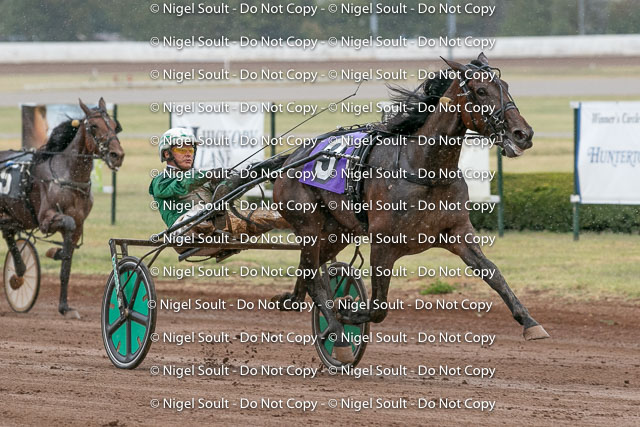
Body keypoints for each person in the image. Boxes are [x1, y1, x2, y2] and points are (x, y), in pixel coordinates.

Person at [149, 127, 289, 239]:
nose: (188, 154)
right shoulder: (160, 181)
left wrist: (245, 176)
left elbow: (223, 191)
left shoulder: (201, 180)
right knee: (203, 210)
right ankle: (212, 221)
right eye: (181, 149)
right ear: (167, 154)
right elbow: (183, 184)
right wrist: (208, 175)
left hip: (219, 224)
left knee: (276, 216)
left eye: (190, 149)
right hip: (183, 231)